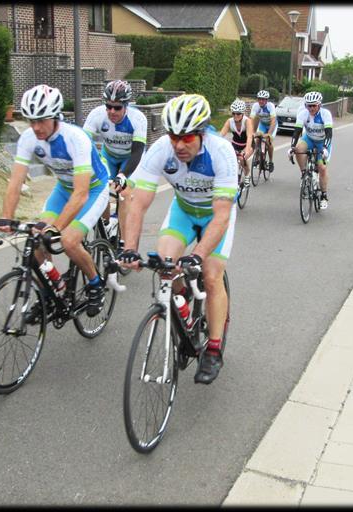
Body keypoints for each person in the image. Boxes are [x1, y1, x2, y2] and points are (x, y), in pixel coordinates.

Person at [119, 94, 238, 385]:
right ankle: (182, 299)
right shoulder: (161, 149)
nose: (179, 145)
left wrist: (197, 254)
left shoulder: (221, 153)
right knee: (165, 266)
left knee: (210, 276)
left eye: (186, 138)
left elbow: (222, 215)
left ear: (202, 133)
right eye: (174, 136)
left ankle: (212, 348)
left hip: (214, 217)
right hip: (183, 212)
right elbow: (137, 202)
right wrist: (130, 249)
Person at [0, 84, 111, 316]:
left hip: (93, 189)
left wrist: (55, 228)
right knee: (36, 243)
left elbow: (81, 193)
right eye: (31, 121)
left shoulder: (75, 138)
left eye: (42, 120)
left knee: (69, 240)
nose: (36, 127)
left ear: (55, 116)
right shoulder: (29, 138)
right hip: (63, 189)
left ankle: (95, 284)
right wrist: (6, 219)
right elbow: (15, 182)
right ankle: (51, 291)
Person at [82, 79, 147, 241]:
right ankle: (106, 224)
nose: (112, 111)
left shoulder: (137, 119)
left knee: (124, 192)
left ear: (126, 106)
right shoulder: (97, 115)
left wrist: (123, 175)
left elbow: (137, 151)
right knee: (101, 187)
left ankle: (125, 244)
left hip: (130, 158)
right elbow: (82, 143)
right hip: (109, 155)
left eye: (117, 107)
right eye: (108, 106)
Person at [288, 91, 334, 209]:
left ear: (319, 105)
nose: (311, 108)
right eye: (309, 105)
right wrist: (292, 147)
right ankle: (304, 173)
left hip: (322, 141)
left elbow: (329, 133)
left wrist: (324, 148)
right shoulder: (303, 114)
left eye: (314, 105)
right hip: (308, 138)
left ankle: (324, 196)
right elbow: (297, 131)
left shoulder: (325, 114)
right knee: (298, 149)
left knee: (322, 168)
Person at [218, 99, 254, 185]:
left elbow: (249, 137)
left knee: (242, 159)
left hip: (247, 144)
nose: (235, 115)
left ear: (243, 113)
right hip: (236, 144)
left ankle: (247, 175)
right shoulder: (229, 121)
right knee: (227, 159)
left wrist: (247, 149)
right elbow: (221, 135)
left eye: (238, 113)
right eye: (233, 113)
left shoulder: (247, 121)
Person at [249, 90, 277, 172]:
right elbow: (251, 119)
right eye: (259, 99)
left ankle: (271, 161)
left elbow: (273, 121)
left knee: (268, 141)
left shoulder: (270, 106)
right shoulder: (255, 106)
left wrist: (269, 134)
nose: (261, 101)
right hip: (263, 124)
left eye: (263, 99)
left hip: (272, 125)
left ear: (266, 100)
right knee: (257, 138)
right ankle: (257, 157)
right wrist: (251, 132)